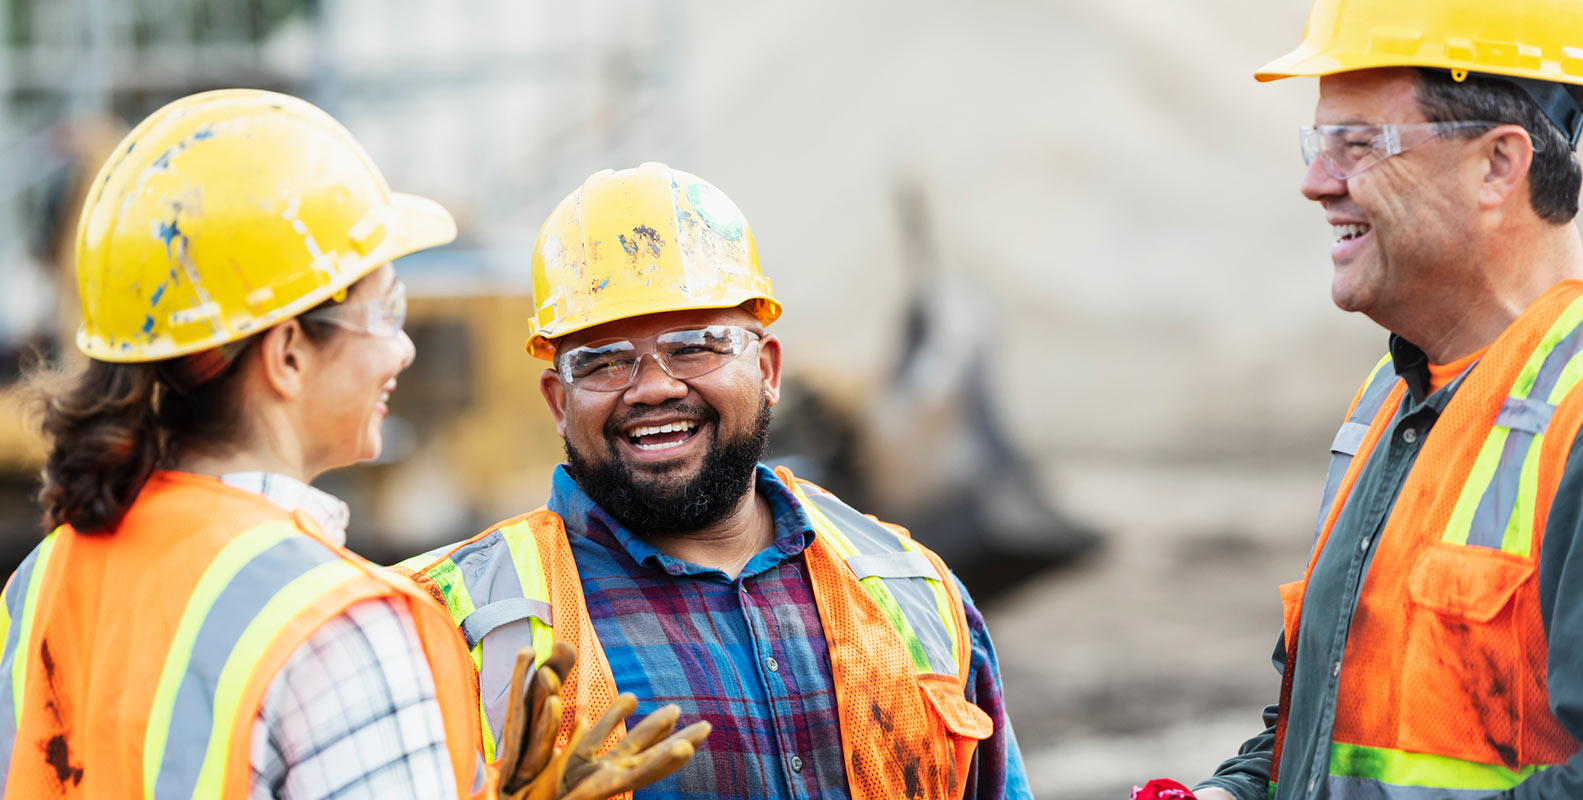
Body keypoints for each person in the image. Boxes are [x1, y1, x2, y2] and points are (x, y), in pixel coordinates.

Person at [0, 90, 698, 800]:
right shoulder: (346, 625)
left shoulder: (41, 581)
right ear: (288, 354)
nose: (401, 350)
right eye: (386, 311)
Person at [396, 162, 1031, 799]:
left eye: (695, 346)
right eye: (605, 362)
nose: (653, 387)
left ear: (769, 370)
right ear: (559, 402)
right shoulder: (445, 625)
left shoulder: (913, 587)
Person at [1170, 1, 1583, 798]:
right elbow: (1325, 733)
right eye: (1317, 141)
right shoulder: (1391, 398)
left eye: (1357, 144)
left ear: (1499, 164)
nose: (1315, 181)